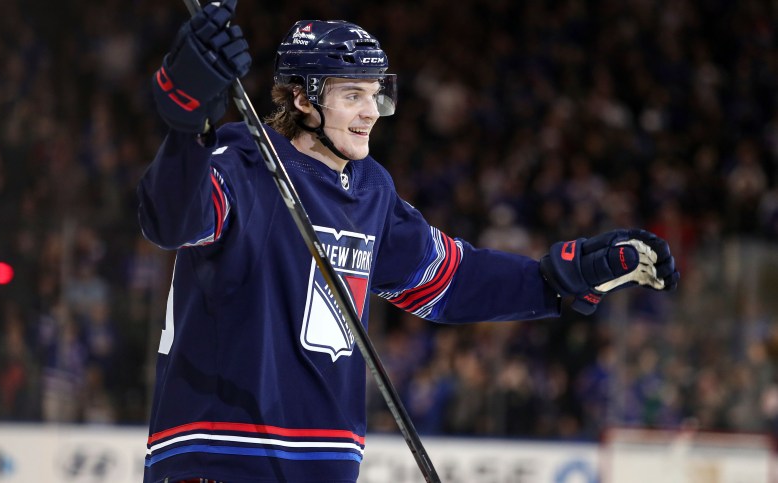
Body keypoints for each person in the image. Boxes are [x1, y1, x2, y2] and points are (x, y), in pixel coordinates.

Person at [137, 2, 680, 481]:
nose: (371, 111)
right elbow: (171, 220)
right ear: (302, 99)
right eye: (353, 94)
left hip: (321, 469)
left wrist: (558, 279)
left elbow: (451, 281)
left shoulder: (371, 192)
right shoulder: (243, 163)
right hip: (220, 461)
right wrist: (186, 122)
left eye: (375, 94)